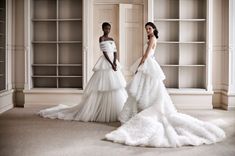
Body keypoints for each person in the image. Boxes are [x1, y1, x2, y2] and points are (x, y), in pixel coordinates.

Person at [105, 22, 226, 147]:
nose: (147, 30)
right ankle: (142, 109)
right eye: (146, 29)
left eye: (149, 28)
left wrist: (139, 66)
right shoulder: (153, 38)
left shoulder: (152, 38)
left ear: (154, 29)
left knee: (145, 89)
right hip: (150, 64)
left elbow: (146, 55)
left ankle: (146, 110)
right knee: (146, 89)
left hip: (148, 63)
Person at [38, 22, 127, 122]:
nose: (108, 30)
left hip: (113, 62)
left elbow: (115, 51)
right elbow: (105, 53)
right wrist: (111, 63)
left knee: (115, 86)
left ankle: (117, 110)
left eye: (109, 28)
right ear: (102, 29)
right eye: (106, 28)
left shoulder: (111, 39)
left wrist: (115, 62)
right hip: (106, 62)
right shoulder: (101, 38)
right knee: (103, 86)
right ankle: (99, 110)